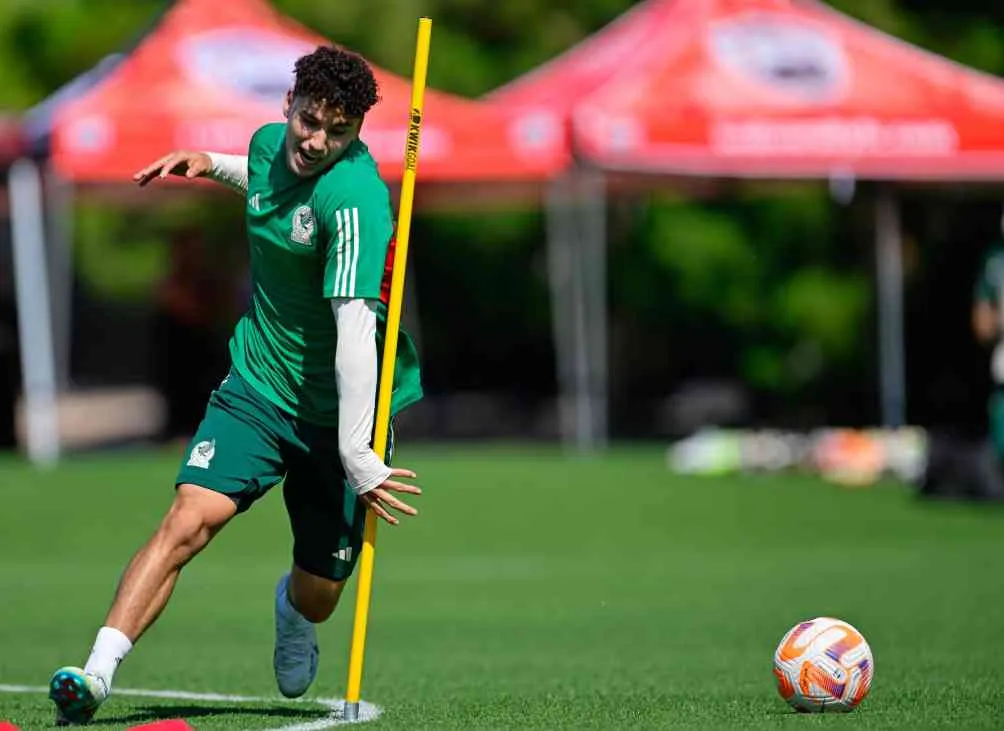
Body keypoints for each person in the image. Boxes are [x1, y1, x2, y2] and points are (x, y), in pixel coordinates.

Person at [48, 45, 425, 725]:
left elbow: (352, 337)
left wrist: (357, 453)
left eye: (339, 133)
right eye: (310, 122)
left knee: (321, 593)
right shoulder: (265, 146)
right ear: (289, 106)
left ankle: (291, 608)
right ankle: (95, 672)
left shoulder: (357, 200)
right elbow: (261, 176)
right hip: (258, 383)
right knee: (187, 520)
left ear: (358, 132)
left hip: (342, 407)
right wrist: (208, 163)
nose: (318, 142)